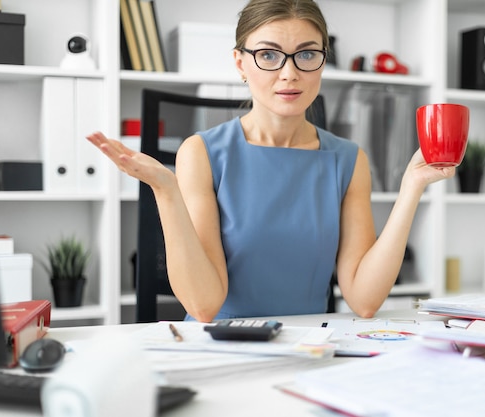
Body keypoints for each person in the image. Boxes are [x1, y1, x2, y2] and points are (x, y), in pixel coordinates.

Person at [87, 0, 454, 323]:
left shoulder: (348, 160)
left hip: (309, 347)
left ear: (324, 62)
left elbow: (365, 301)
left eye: (308, 54)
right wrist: (165, 189)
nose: (290, 73)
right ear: (240, 63)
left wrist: (411, 189)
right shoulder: (201, 153)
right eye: (268, 55)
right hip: (223, 345)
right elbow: (203, 307)